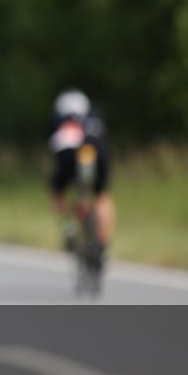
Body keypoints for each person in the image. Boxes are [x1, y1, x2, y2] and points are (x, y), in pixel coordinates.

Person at [48, 89, 115, 262]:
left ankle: (69, 232)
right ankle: (102, 244)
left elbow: (58, 149)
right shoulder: (95, 117)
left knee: (58, 192)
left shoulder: (61, 120)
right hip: (99, 153)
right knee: (101, 195)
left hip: (71, 155)